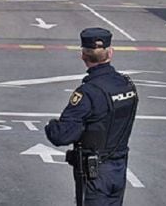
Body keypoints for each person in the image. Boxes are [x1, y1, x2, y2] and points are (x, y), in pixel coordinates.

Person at [45, 28, 139, 206]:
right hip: (118, 167)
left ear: (83, 56)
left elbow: (61, 135)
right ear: (110, 52)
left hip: (95, 172)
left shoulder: (88, 92)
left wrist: (51, 126)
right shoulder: (127, 85)